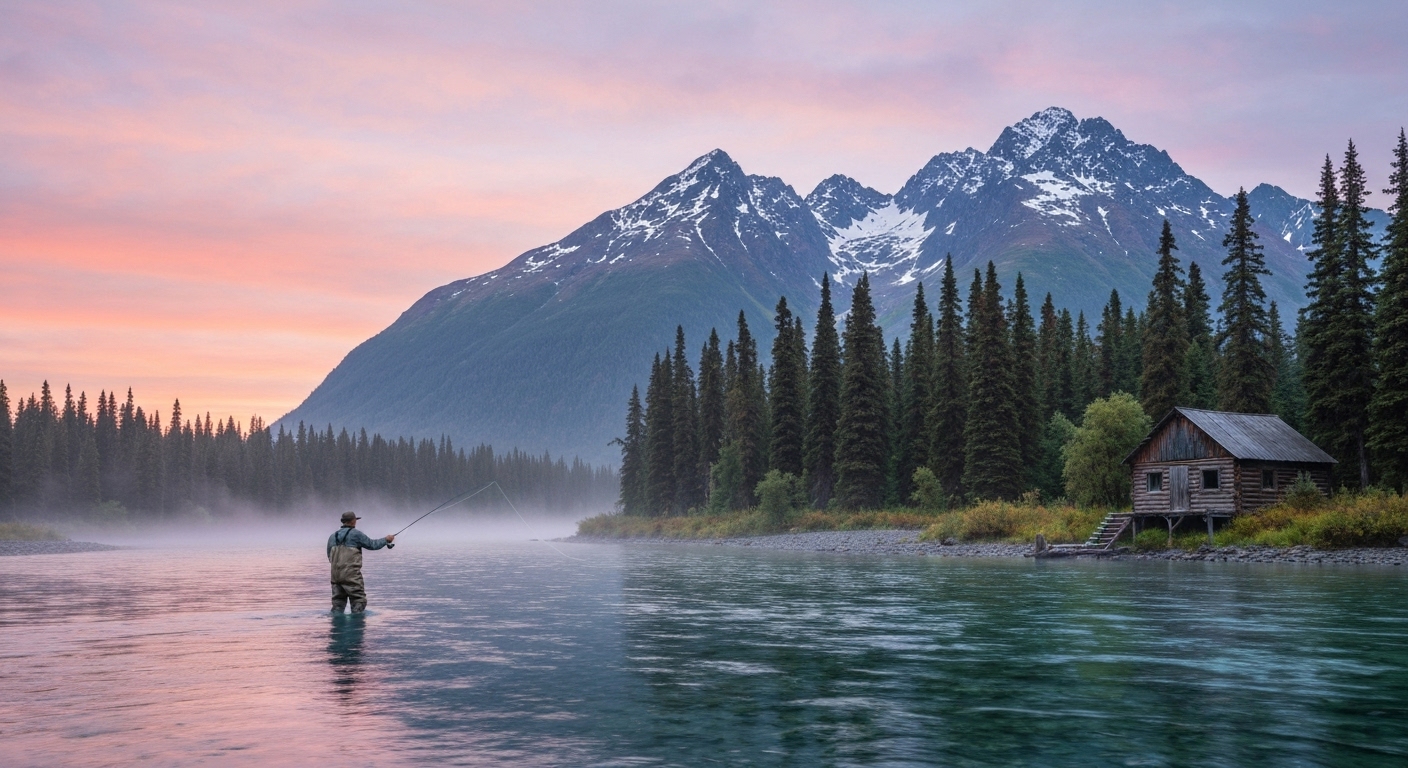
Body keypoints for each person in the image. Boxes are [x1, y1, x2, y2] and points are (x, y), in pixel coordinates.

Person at [327, 511, 395, 613]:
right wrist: (386, 539)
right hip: (351, 575)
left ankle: (337, 626)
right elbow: (372, 545)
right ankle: (356, 624)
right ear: (353, 521)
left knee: (338, 604)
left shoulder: (332, 536)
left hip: (335, 576)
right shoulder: (356, 534)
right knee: (359, 601)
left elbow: (329, 557)